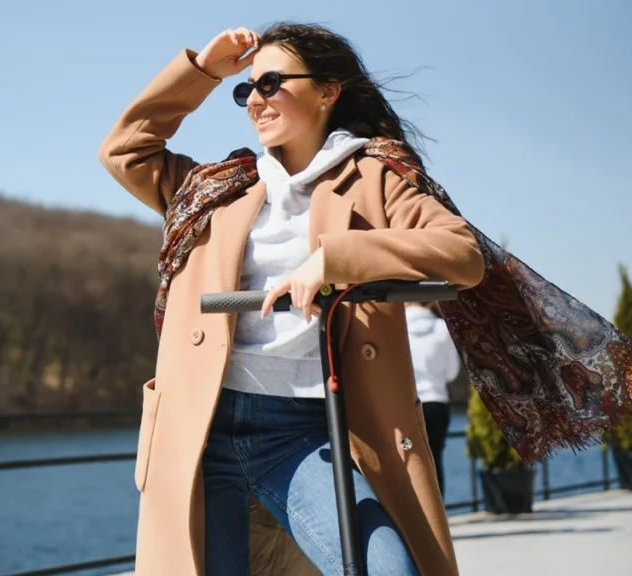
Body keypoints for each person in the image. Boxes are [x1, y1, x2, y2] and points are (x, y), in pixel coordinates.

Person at [99, 22, 485, 576]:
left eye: (272, 82)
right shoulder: (215, 187)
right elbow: (125, 150)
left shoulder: (375, 177)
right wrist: (203, 71)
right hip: (200, 429)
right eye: (246, 89)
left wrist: (336, 257)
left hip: (306, 431)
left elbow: (462, 253)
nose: (255, 100)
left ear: (328, 91)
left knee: (388, 568)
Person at [405, 301, 461, 497]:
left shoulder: (396, 329)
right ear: (429, 302)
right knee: (434, 458)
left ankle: (412, 514)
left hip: (407, 405)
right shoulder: (443, 329)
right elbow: (451, 372)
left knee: (407, 457)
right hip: (437, 402)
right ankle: (439, 517)